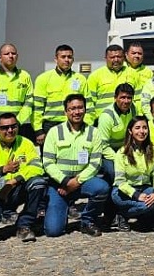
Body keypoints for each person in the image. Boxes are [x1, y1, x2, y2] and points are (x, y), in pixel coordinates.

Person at [0, 113, 45, 242]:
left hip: (16, 190)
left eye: (13, 126)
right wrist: (2, 170)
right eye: (5, 128)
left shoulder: (26, 143)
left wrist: (15, 180)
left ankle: (24, 225)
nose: (10, 130)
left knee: (38, 183)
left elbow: (37, 167)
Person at [42, 94, 108, 237]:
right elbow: (47, 162)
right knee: (53, 231)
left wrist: (76, 181)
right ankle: (60, 209)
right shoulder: (54, 132)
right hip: (60, 185)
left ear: (85, 110)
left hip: (83, 181)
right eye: (72, 109)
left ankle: (87, 221)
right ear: (65, 111)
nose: (76, 112)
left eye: (80, 108)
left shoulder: (94, 133)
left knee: (102, 187)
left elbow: (96, 163)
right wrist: (65, 181)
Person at [111, 116, 154, 231]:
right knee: (146, 206)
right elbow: (120, 181)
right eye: (137, 128)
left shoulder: (153, 150)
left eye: (144, 128)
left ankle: (139, 215)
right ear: (130, 131)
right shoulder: (121, 153)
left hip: (145, 188)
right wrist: (136, 195)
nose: (142, 131)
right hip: (123, 192)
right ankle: (122, 214)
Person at [32, 44, 88, 146]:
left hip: (74, 124)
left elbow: (88, 105)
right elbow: (37, 107)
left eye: (69, 57)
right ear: (56, 59)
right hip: (50, 125)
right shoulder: (43, 79)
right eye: (63, 57)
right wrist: (38, 130)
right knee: (49, 154)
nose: (66, 60)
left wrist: (87, 126)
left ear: (73, 60)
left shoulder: (80, 79)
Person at [0, 43, 34, 144]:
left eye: (13, 53)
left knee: (22, 152)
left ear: (17, 56)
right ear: (0, 57)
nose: (11, 56)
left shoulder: (25, 76)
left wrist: (17, 122)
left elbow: (29, 102)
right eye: (7, 54)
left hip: (17, 127)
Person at [87, 45, 141, 125]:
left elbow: (138, 100)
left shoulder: (134, 74)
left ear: (124, 58)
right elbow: (89, 104)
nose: (116, 60)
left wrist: (138, 120)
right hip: (103, 122)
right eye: (112, 57)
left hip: (127, 122)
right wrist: (90, 124)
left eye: (119, 57)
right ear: (106, 58)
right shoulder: (95, 76)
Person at [96, 84, 137, 183]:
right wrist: (119, 159)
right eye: (122, 97)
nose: (126, 101)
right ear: (115, 98)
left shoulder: (133, 109)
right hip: (108, 153)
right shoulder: (106, 116)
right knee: (115, 171)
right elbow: (103, 146)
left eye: (129, 98)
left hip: (125, 148)